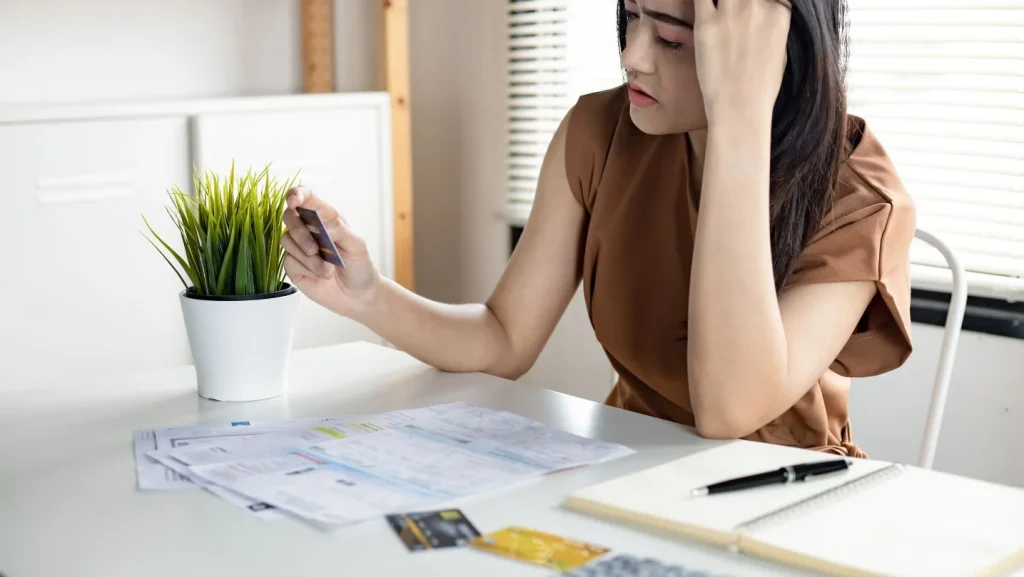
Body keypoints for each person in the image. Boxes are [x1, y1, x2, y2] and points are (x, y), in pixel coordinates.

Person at [280, 0, 915, 458]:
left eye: (669, 39)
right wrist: (365, 296)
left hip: (780, 492)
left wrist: (740, 121)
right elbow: (504, 340)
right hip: (624, 464)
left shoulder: (857, 195)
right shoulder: (600, 132)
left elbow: (729, 410)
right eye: (630, 16)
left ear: (772, 55)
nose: (631, 56)